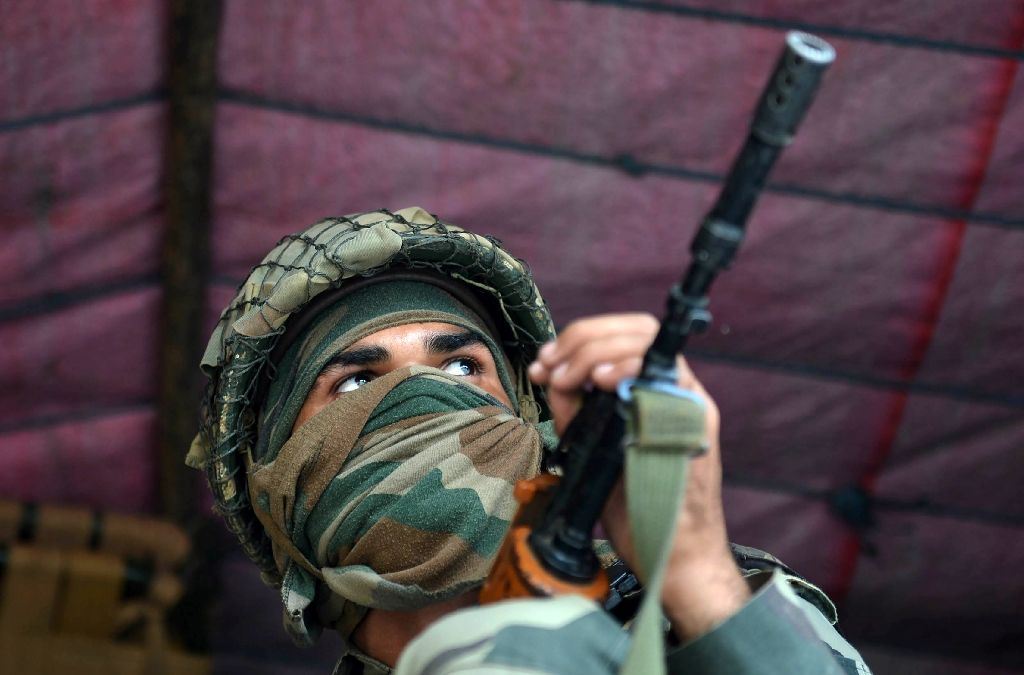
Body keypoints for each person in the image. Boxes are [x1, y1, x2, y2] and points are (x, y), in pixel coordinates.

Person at [188, 207, 870, 674]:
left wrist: (696, 576)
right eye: (355, 381)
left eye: (463, 366)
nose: (432, 395)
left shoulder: (686, 631)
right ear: (275, 487)